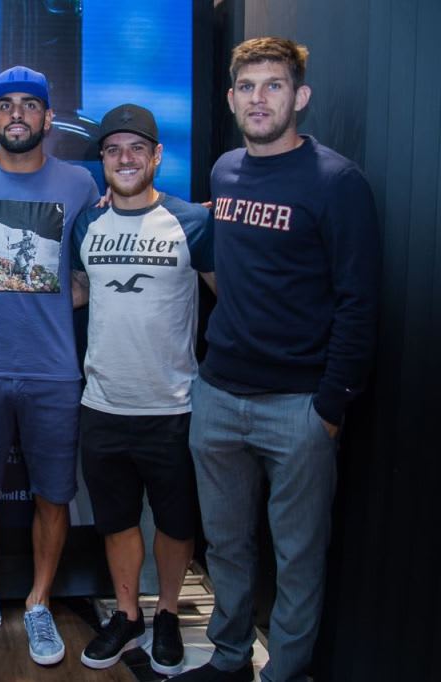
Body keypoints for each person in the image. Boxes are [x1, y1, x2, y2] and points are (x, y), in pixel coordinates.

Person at [175, 38, 380, 682]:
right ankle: (231, 659)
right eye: (248, 87)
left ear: (300, 96)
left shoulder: (337, 183)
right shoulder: (225, 171)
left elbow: (359, 301)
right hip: (218, 394)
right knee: (227, 548)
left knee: (297, 558)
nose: (259, 98)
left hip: (298, 407)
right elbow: (221, 251)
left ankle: (285, 672)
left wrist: (328, 406)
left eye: (273, 85)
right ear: (231, 97)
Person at [0, 65, 100, 666]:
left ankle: (37, 603)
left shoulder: (80, 182)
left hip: (54, 370)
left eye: (30, 105)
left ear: (47, 118)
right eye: (6, 106)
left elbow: (96, 256)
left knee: (53, 496)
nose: (17, 115)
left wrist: (64, 291)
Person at [69, 104, 215, 676]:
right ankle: (128, 614)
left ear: (157, 156)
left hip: (174, 406)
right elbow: (80, 292)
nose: (125, 159)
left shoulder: (191, 222)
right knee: (117, 520)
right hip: (102, 404)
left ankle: (170, 613)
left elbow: (228, 294)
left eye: (136, 149)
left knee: (177, 524)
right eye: (112, 150)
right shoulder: (88, 223)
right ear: (101, 160)